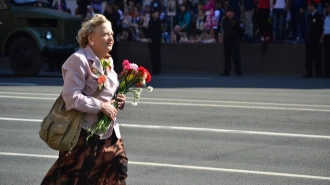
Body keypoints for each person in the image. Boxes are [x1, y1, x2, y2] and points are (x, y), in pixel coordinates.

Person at [41, 14, 128, 184]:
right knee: (78, 179)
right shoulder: (78, 60)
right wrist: (101, 106)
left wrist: (119, 100)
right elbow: (71, 97)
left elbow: (108, 94)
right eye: (105, 34)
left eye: (111, 34)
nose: (110, 37)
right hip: (85, 135)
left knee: (117, 171)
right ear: (91, 38)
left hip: (110, 134)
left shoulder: (107, 61)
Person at [303, 0, 324, 78]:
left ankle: (319, 73)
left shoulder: (319, 16)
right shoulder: (309, 16)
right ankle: (309, 73)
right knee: (308, 57)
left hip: (316, 40)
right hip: (309, 40)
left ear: (313, 6)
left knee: (317, 57)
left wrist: (321, 38)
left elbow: (322, 28)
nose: (308, 7)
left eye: (309, 5)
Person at [221, 8, 243, 76]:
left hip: (234, 40)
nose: (227, 13)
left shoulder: (237, 20)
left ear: (232, 12)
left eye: (228, 12)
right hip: (227, 40)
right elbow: (224, 29)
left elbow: (241, 30)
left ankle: (238, 71)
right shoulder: (225, 21)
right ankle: (226, 71)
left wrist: (237, 36)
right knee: (226, 57)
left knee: (236, 57)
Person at [146, 10, 162, 75]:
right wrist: (148, 38)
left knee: (157, 55)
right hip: (150, 41)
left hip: (157, 41)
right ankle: (153, 68)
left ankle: (158, 69)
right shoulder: (151, 21)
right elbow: (149, 30)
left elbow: (159, 32)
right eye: (152, 13)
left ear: (157, 13)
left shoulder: (160, 22)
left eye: (154, 13)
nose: (153, 14)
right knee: (152, 56)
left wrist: (153, 38)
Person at [320, 2, 330, 78]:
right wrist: (321, 38)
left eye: (328, 7)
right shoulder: (326, 17)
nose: (327, 9)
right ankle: (326, 73)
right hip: (326, 37)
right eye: (326, 7)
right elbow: (324, 29)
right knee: (326, 56)